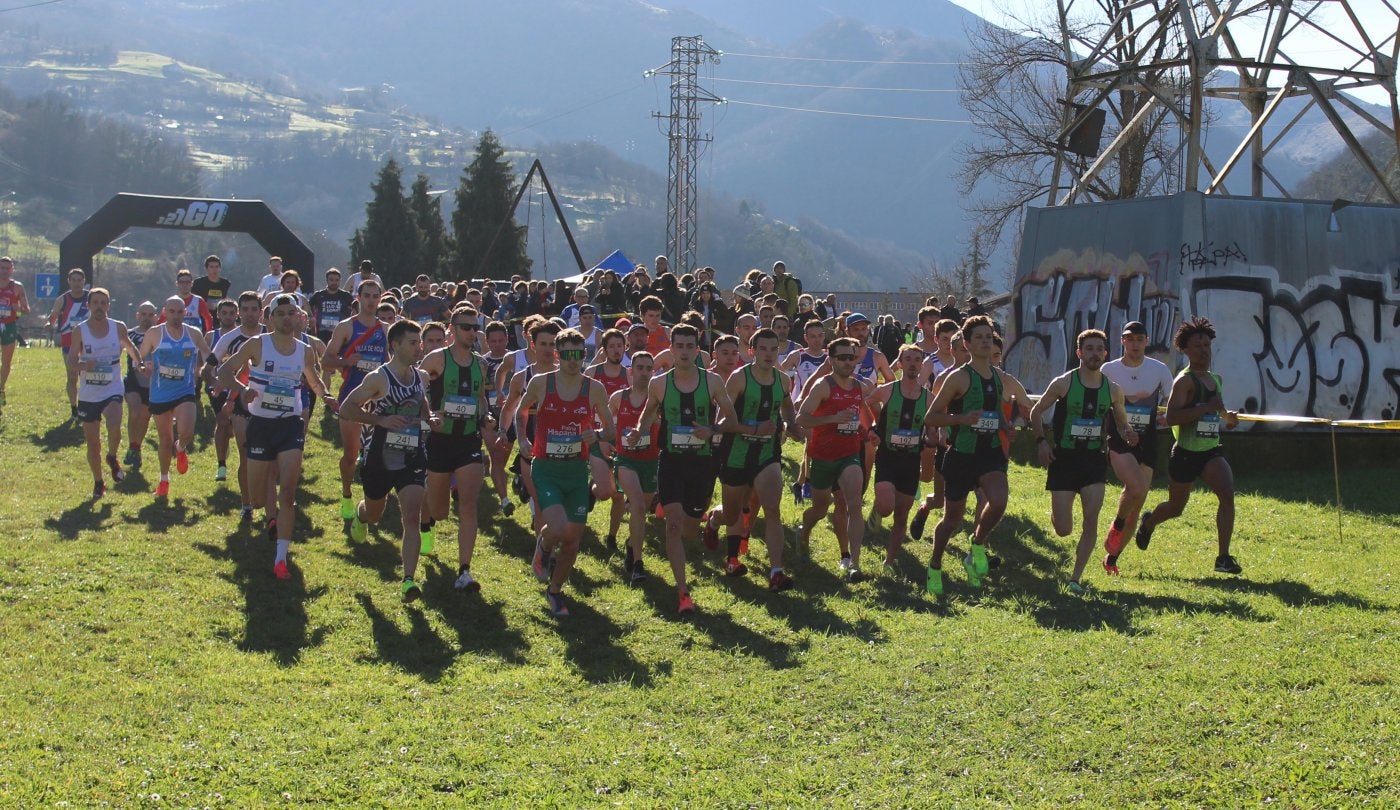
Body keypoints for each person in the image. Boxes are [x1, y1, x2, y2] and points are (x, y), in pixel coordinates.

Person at [217, 295, 333, 579]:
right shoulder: (257, 344)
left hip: (290, 424)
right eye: (279, 313)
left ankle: (281, 558)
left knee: (289, 492)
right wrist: (242, 389)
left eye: (290, 313)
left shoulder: (305, 350)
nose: (285, 318)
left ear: (299, 317)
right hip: (260, 424)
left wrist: (327, 398)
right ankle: (262, 509)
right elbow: (223, 372)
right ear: (270, 318)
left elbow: (314, 379)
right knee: (257, 499)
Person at [631, 323, 738, 614]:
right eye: (679, 346)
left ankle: (700, 520)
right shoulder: (660, 382)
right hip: (671, 460)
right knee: (674, 525)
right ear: (671, 349)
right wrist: (639, 430)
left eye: (690, 346)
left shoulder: (713, 381)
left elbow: (731, 417)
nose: (684, 352)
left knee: (689, 529)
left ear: (697, 350)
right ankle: (683, 593)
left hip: (703, 463)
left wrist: (712, 429)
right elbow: (648, 411)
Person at [919, 316, 1026, 595]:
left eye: (988, 337)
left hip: (989, 452)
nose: (984, 342)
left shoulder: (999, 377)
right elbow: (932, 417)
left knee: (999, 501)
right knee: (951, 521)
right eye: (978, 337)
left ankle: (976, 545)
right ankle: (935, 564)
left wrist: (1006, 427)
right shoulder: (959, 377)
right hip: (961, 454)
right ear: (966, 343)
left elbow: (994, 413)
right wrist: (963, 419)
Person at [1027, 329, 1139, 593]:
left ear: (1105, 354)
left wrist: (1129, 433)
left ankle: (1075, 579)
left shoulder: (1113, 390)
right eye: (1089, 349)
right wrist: (1041, 441)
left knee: (1091, 520)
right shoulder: (1063, 383)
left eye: (1099, 349)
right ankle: (1057, 516)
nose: (1094, 354)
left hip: (1093, 461)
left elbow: (1123, 424)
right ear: (1079, 353)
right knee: (1064, 529)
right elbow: (1035, 411)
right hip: (1064, 459)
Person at [518, 328, 617, 617]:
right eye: (568, 355)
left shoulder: (594, 388)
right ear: (558, 355)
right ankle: (544, 544)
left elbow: (611, 430)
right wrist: (522, 439)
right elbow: (520, 412)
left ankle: (555, 591)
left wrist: (596, 435)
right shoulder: (541, 383)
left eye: (579, 354)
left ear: (584, 355)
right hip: (546, 467)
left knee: (573, 539)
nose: (574, 361)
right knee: (559, 529)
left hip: (576, 470)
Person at [1135, 317, 1243, 575]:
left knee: (1227, 494)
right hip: (1185, 454)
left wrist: (1228, 420)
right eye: (1197, 346)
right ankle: (1149, 522)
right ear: (1185, 350)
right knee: (1176, 508)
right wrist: (1206, 408)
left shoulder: (1215, 379)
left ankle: (1223, 558)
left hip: (1210, 450)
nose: (1204, 350)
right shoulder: (1184, 381)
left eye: (1206, 345)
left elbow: (1217, 413)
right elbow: (1172, 418)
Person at [341, 320, 438, 601]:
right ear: (394, 345)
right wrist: (380, 419)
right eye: (413, 342)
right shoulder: (378, 379)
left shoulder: (421, 376)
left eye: (420, 342)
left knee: (411, 515)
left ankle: (408, 580)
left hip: (412, 454)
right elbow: (347, 408)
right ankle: (361, 515)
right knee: (375, 513)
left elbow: (422, 404)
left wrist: (429, 418)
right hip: (379, 456)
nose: (419, 347)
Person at [417, 306, 498, 592]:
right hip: (439, 441)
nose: (472, 332)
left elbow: (481, 398)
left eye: (475, 327)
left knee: (468, 504)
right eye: (465, 327)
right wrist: (429, 416)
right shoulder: (437, 359)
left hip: (468, 442)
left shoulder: (481, 364)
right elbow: (416, 389)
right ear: (452, 329)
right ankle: (427, 523)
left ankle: (465, 570)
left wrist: (486, 416)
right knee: (439, 510)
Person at [714, 328, 798, 590]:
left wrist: (794, 426)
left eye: (774, 349)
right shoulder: (739, 379)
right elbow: (721, 423)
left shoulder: (783, 380)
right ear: (751, 351)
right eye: (763, 349)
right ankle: (714, 522)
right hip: (736, 452)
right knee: (731, 513)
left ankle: (776, 572)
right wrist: (753, 429)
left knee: (772, 509)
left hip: (766, 454)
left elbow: (787, 408)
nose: (769, 354)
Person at [794, 336, 873, 580]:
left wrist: (867, 433)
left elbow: (858, 418)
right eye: (842, 357)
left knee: (853, 506)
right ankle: (804, 531)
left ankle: (853, 563)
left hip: (849, 455)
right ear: (831, 359)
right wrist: (831, 419)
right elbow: (801, 418)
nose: (848, 362)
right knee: (820, 509)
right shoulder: (822, 386)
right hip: (823, 457)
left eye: (852, 357)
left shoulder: (859, 387)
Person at [1099, 321, 1175, 575]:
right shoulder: (1109, 369)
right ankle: (1117, 525)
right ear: (1122, 341)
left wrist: (1168, 417)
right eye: (1130, 339)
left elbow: (1172, 402)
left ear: (1146, 341)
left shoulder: (1159, 370)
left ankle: (1112, 557)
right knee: (1136, 486)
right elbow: (1096, 400)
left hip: (1149, 442)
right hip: (1119, 439)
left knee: (1137, 504)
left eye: (1139, 339)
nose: (1135, 343)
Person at [322, 280, 389, 520]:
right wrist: (345, 362)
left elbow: (390, 364)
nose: (371, 300)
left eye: (375, 296)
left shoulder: (385, 330)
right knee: (351, 455)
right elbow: (326, 361)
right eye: (367, 295)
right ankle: (347, 494)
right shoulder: (346, 327)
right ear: (358, 297)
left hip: (378, 401)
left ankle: (372, 501)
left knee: (377, 456)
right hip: (351, 399)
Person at [865, 344, 930, 576]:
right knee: (885, 508)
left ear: (922, 365)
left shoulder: (928, 397)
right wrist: (875, 423)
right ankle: (877, 508)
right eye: (908, 359)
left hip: (911, 462)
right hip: (888, 457)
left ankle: (889, 561)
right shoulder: (887, 390)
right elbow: (866, 402)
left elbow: (934, 425)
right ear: (900, 364)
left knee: (901, 515)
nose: (913, 364)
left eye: (917, 360)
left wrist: (935, 438)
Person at [70, 288, 141, 497]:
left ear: (108, 306)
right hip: (89, 393)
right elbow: (71, 361)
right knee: (93, 445)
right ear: (88, 305)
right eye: (95, 303)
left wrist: (139, 363)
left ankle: (112, 456)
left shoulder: (118, 327)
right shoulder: (80, 331)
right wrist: (84, 366)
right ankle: (99, 481)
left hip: (112, 388)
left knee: (114, 424)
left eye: (103, 303)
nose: (99, 306)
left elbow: (130, 347)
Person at [139, 295, 212, 497]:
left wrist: (207, 369)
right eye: (172, 311)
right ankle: (164, 481)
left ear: (186, 313)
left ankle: (181, 448)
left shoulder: (194, 333)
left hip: (185, 390)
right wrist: (144, 367)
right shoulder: (155, 333)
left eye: (180, 312)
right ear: (164, 312)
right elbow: (141, 355)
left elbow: (206, 353)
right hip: (160, 393)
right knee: (164, 439)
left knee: (186, 431)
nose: (176, 316)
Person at [210, 292, 266, 521]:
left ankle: (266, 497)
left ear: (261, 312)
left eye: (255, 309)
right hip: (240, 403)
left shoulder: (270, 335)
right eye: (246, 309)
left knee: (267, 458)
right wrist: (219, 387)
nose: (250, 314)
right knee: (245, 455)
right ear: (239, 312)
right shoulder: (229, 338)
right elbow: (209, 368)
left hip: (269, 404)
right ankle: (246, 504)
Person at [609, 350, 660, 584]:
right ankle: (638, 564)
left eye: (649, 369)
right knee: (637, 505)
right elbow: (606, 424)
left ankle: (631, 544)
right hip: (626, 460)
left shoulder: (659, 399)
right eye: (639, 368)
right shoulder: (618, 398)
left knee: (643, 507)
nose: (644, 373)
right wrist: (607, 444)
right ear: (630, 372)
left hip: (650, 462)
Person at [204, 298, 240, 482]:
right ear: (218, 315)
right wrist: (212, 381)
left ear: (237, 314)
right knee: (222, 421)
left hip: (240, 385)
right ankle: (221, 466)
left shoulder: (244, 335)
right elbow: (204, 366)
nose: (228, 316)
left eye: (231, 313)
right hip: (217, 386)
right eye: (224, 313)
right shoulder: (211, 337)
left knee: (235, 425)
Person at [48, 268, 91, 419]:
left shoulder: (90, 298)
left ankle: (87, 405)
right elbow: (53, 316)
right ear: (69, 281)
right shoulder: (63, 299)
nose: (77, 283)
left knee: (88, 375)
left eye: (79, 280)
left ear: (83, 281)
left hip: (89, 342)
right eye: (73, 280)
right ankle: (74, 408)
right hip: (69, 342)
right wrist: (50, 323)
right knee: (72, 376)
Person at [122, 301, 158, 469]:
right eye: (143, 314)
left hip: (153, 384)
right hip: (133, 381)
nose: (147, 318)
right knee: (135, 412)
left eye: (151, 315)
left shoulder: (161, 334)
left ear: (156, 317)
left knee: (144, 417)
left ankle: (135, 448)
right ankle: (132, 446)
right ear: (137, 315)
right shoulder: (129, 334)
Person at [0, 256, 32, 414]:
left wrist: (16, 307)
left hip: (9, 326)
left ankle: (1, 389)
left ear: (12, 270)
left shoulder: (17, 287)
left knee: (6, 362)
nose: (4, 271)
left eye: (7, 268)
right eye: (2, 268)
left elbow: (26, 310)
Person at [308, 267, 353, 344]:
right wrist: (311, 317)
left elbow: (356, 308)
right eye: (331, 280)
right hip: (322, 333)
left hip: (340, 332)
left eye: (336, 280)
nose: (334, 282)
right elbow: (307, 306)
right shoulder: (318, 295)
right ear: (327, 280)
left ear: (340, 281)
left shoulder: (346, 296)